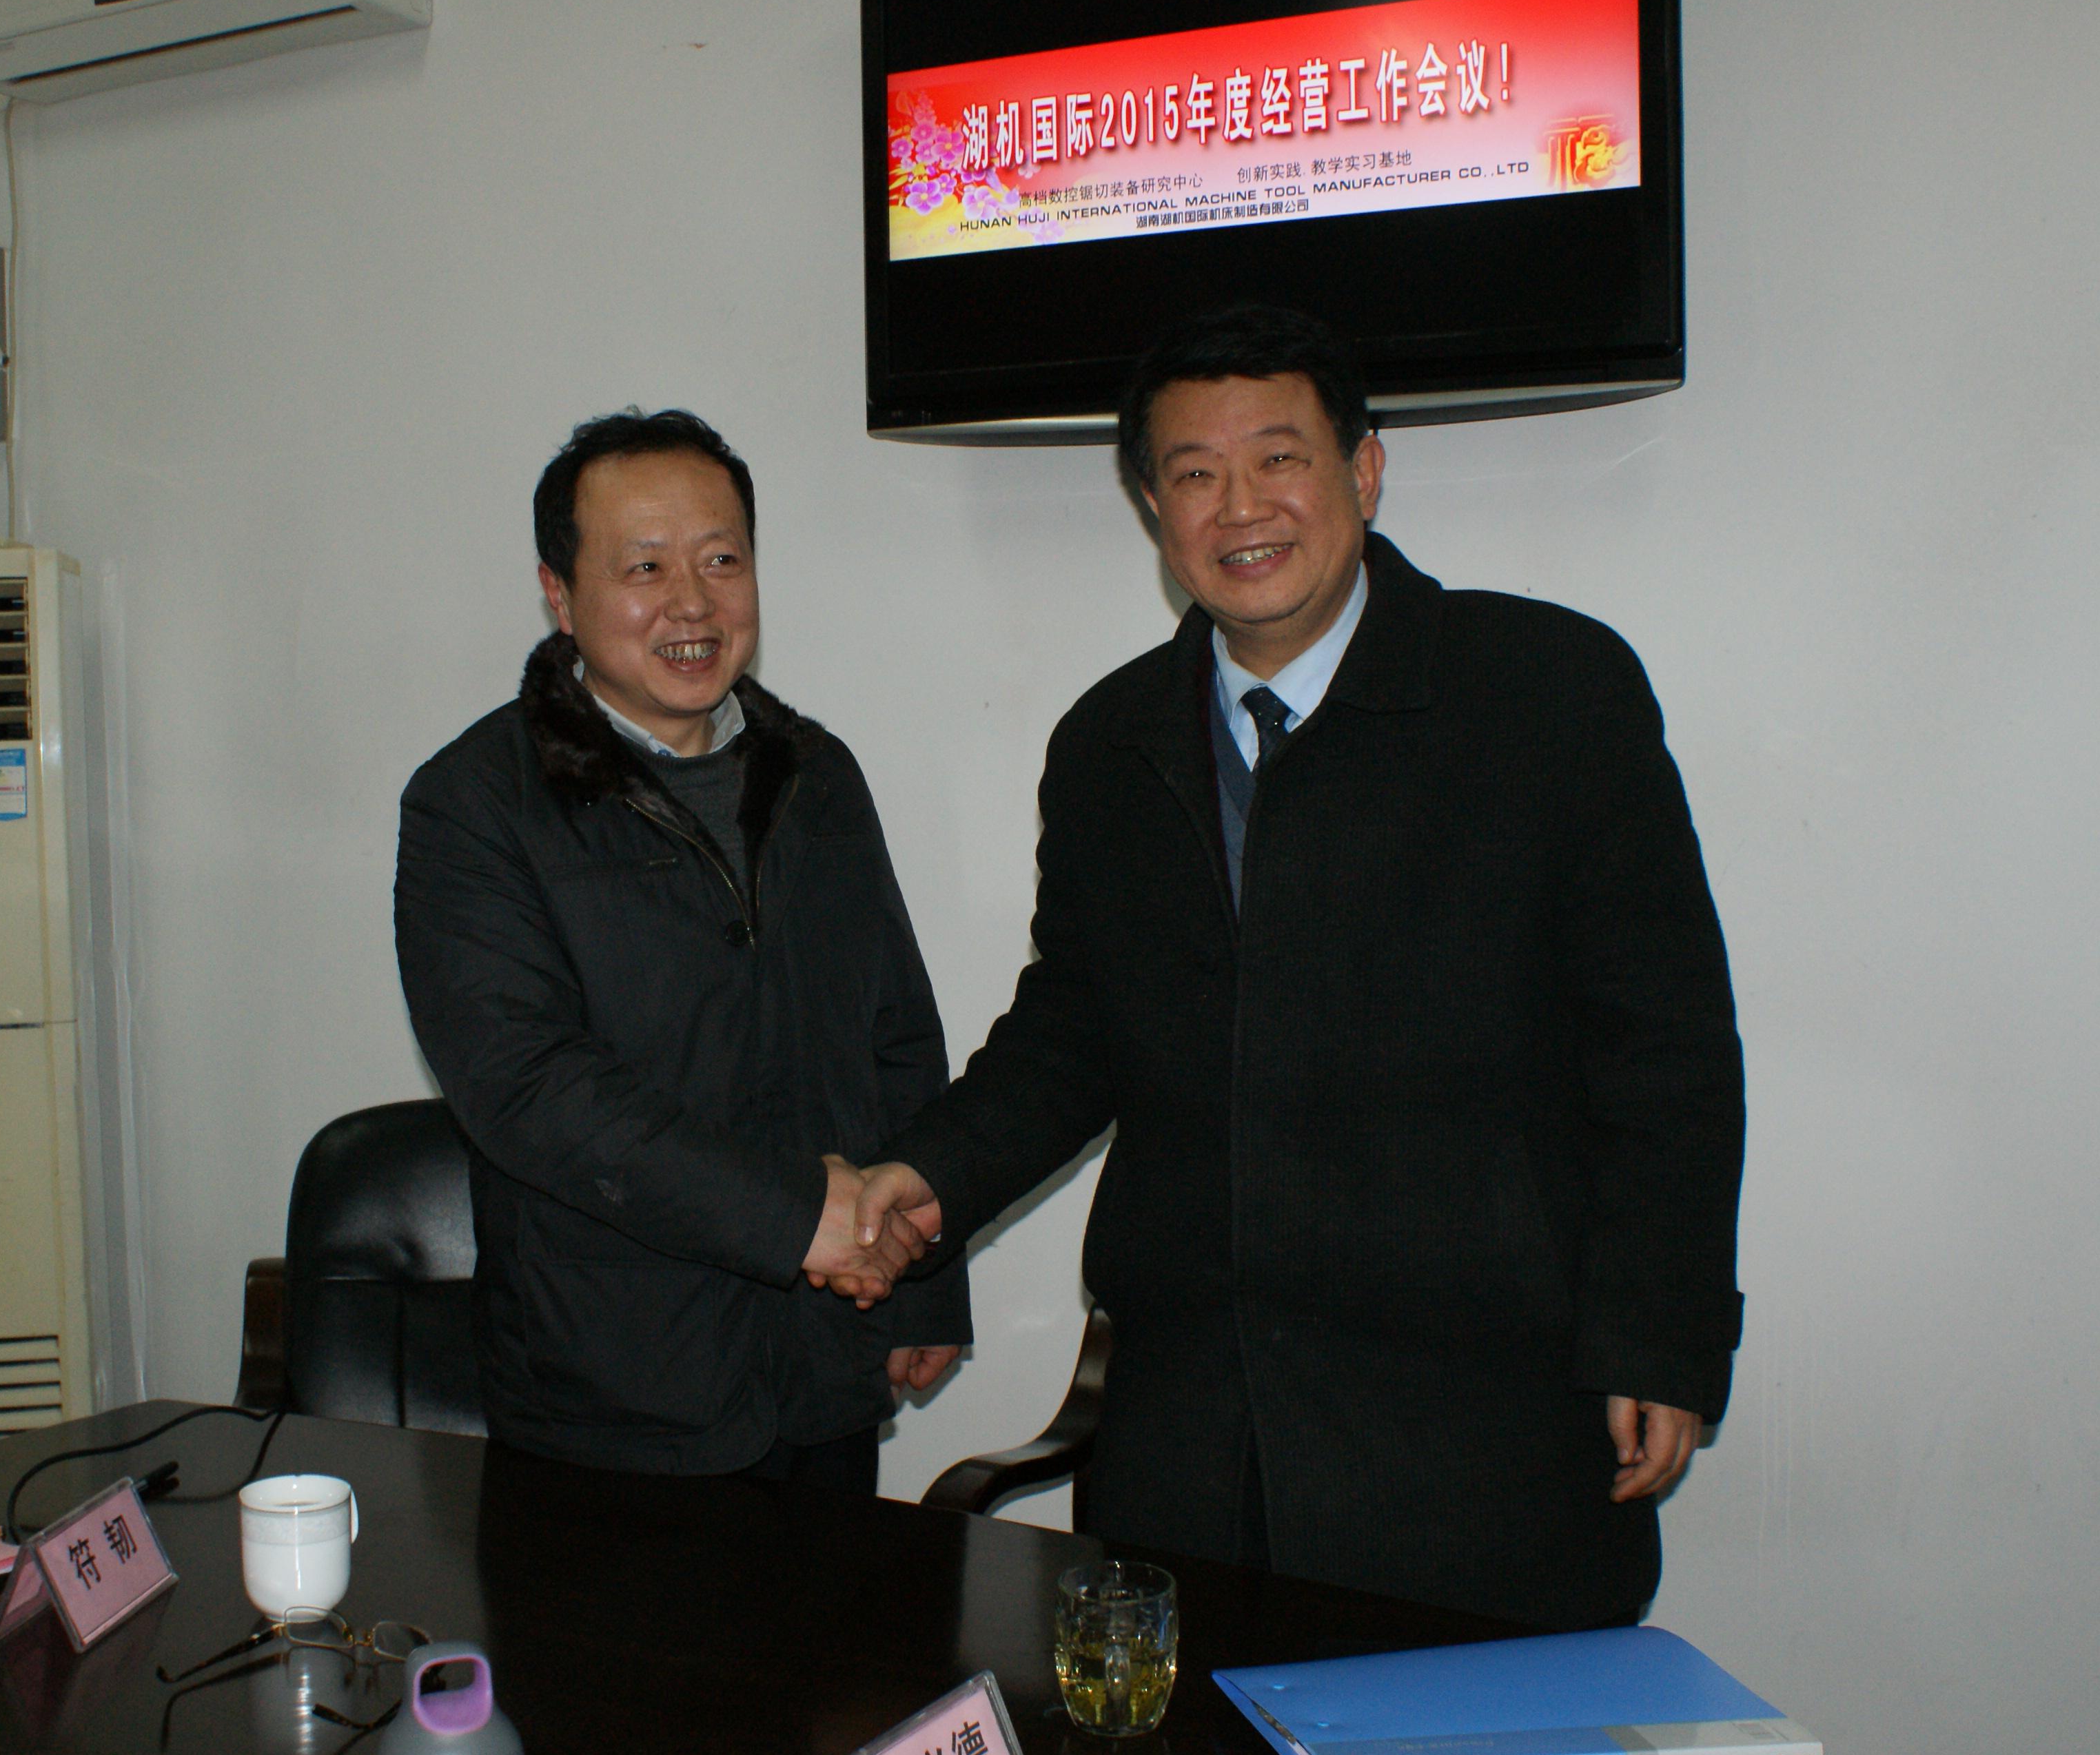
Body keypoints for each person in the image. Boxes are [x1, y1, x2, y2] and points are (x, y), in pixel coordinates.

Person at [859, 307, 1744, 1628]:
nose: (1241, 507)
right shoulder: (1109, 743)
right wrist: (923, 1179)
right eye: (1195, 473)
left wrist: (1661, 1335)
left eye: (1279, 458)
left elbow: (1665, 1047)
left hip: (1485, 1426)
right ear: (1153, 509)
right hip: (1194, 1439)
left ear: (1364, 472)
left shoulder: (1548, 692)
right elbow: (1076, 1029)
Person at [394, 407, 961, 1491]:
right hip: (613, 1400)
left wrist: (929, 1284)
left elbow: (897, 1034)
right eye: (644, 567)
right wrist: (796, 1217)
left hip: (827, 1365)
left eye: (721, 561)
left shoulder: (819, 775)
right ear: (560, 594)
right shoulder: (476, 803)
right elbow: (527, 1086)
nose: (693, 604)